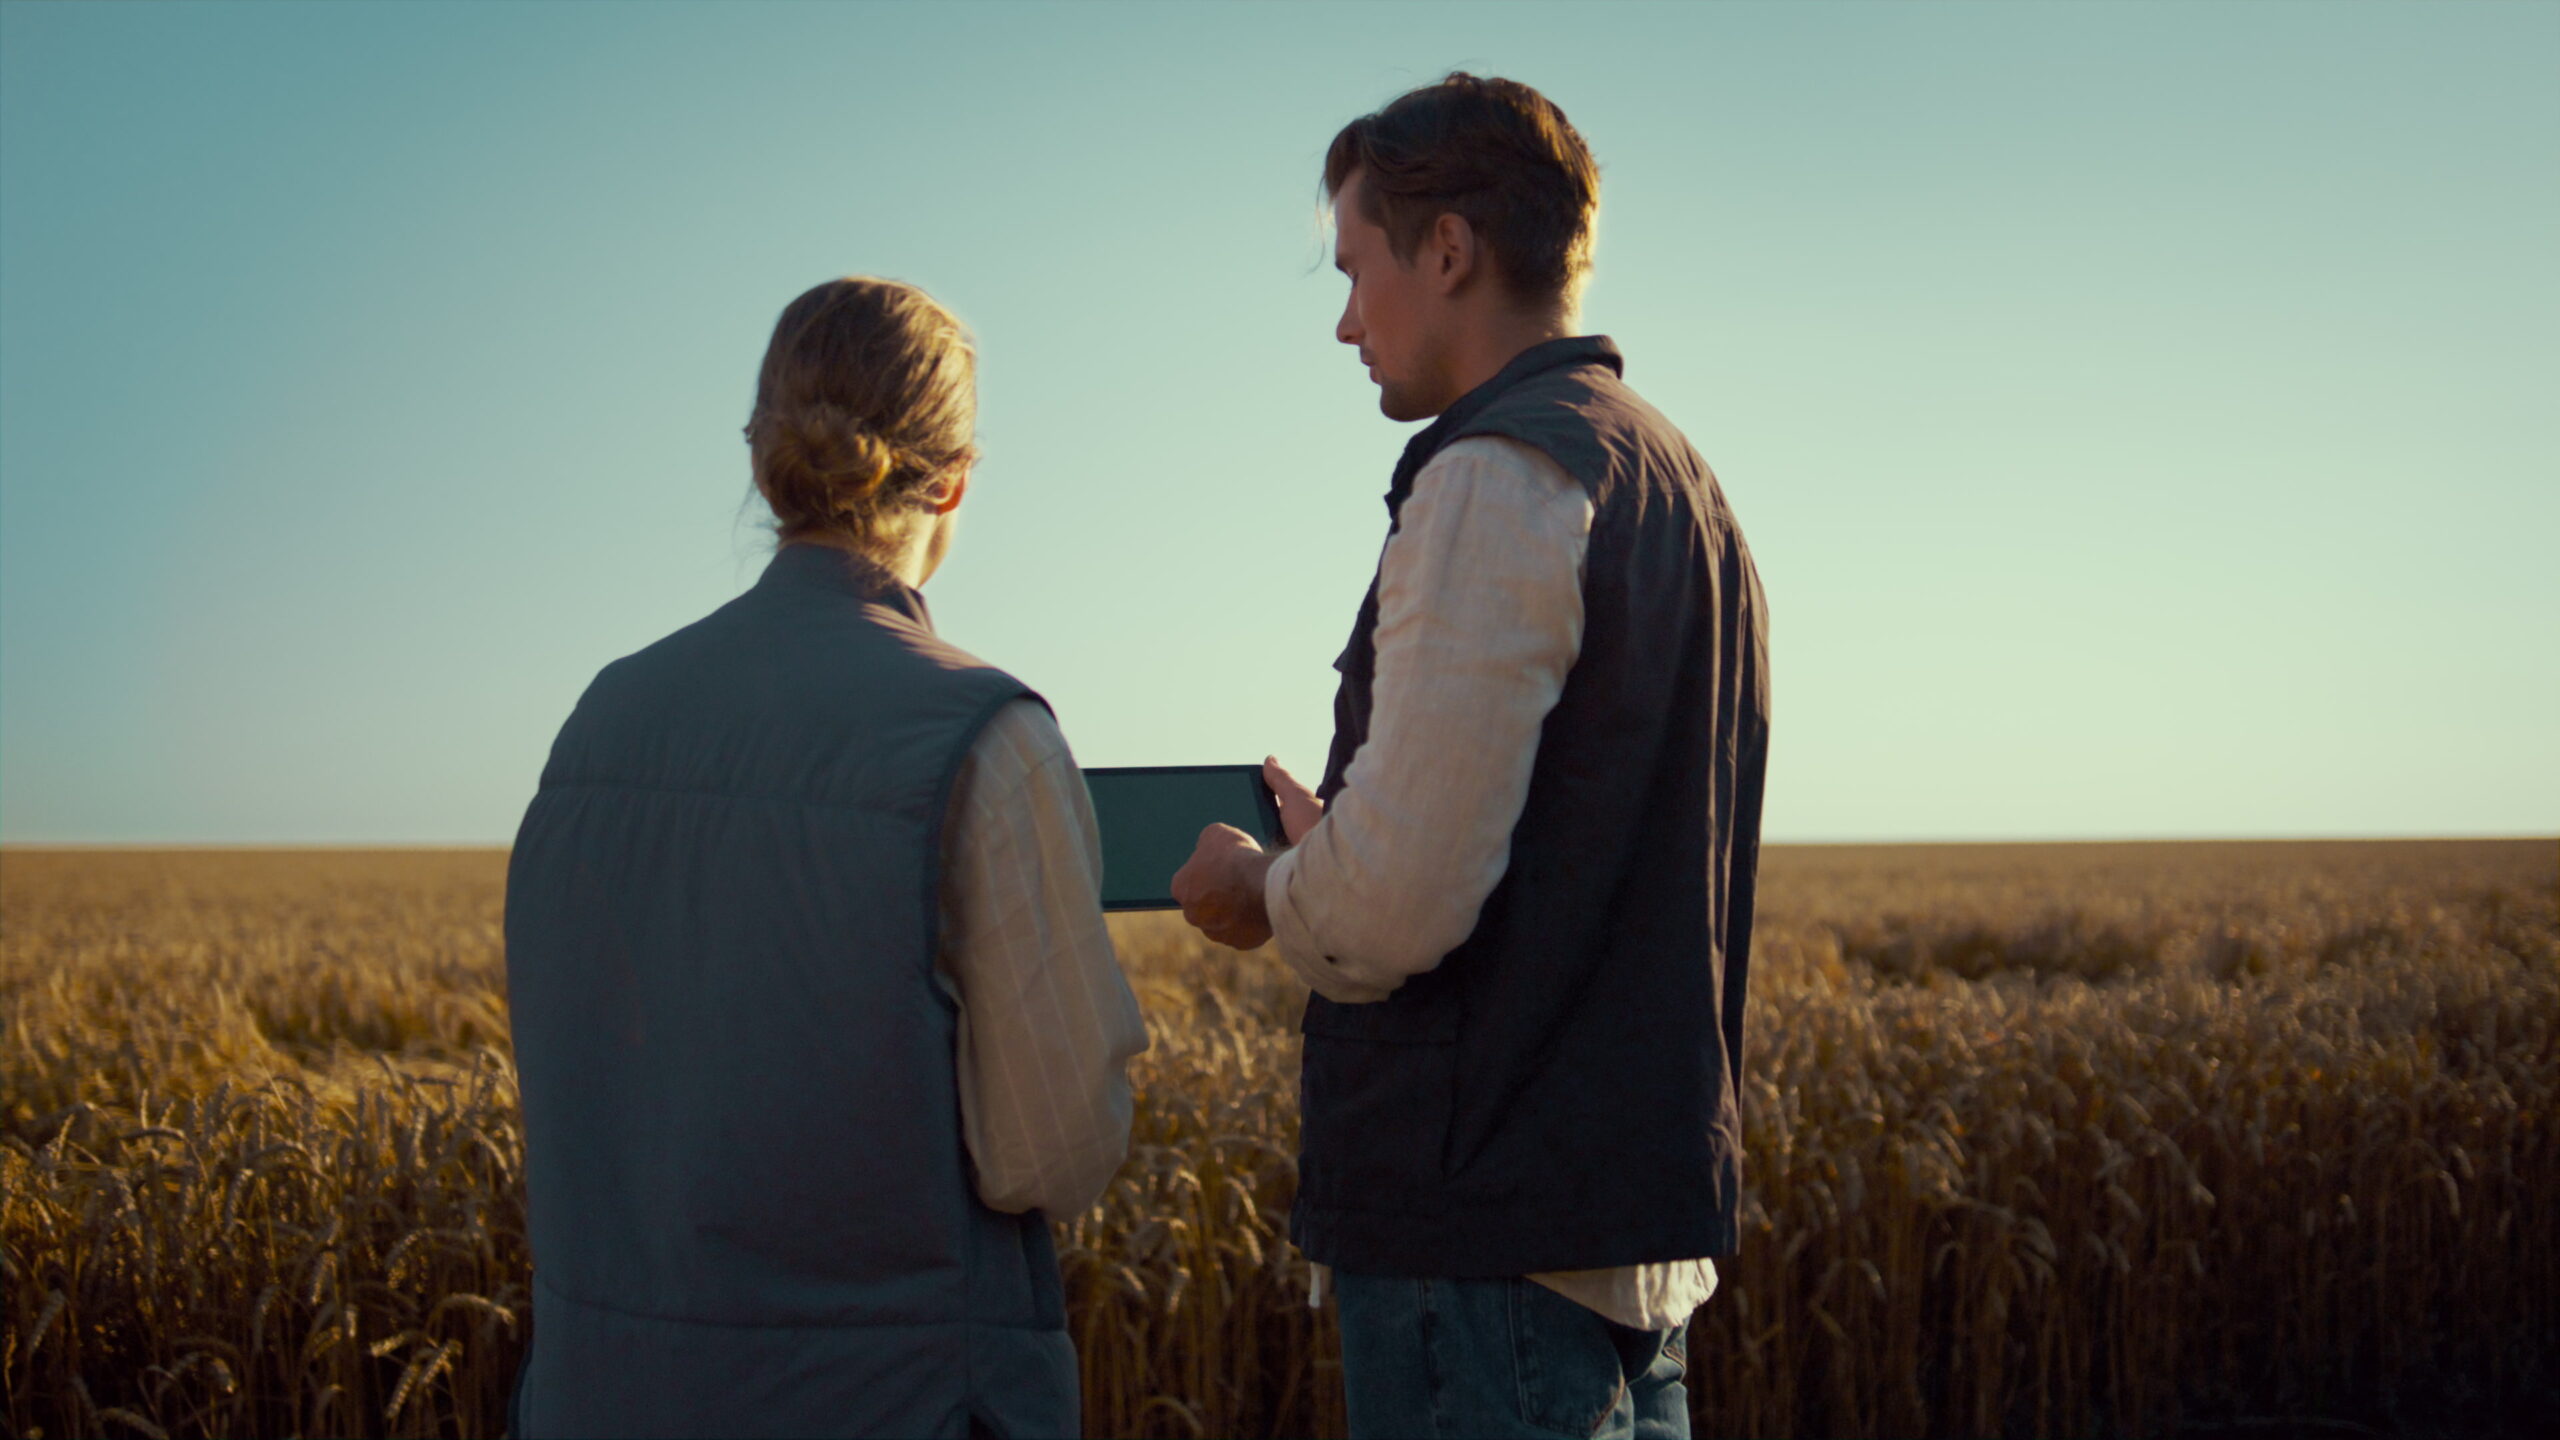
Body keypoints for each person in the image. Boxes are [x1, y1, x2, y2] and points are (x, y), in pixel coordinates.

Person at [1171, 74, 1771, 1440]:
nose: (1342, 322)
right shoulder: (1678, 482)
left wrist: (1268, 889)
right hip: (1623, 1244)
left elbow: (1398, 908)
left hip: (1485, 1248)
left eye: (1354, 268)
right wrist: (1357, 836)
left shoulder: (1492, 475)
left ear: (1447, 252)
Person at [504, 277, 1146, 1439]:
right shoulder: (984, 735)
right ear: (952, 480)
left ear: (765, 459)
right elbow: (1051, 1153)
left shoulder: (598, 720)